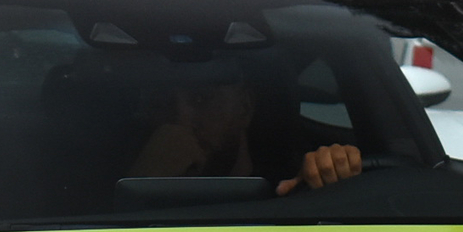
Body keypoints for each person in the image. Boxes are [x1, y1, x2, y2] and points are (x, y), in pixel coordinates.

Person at [129, 74, 362, 195]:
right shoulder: (96, 196)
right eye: (162, 104)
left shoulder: (290, 189)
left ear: (245, 108)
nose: (181, 120)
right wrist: (142, 180)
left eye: (203, 100)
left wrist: (332, 176)